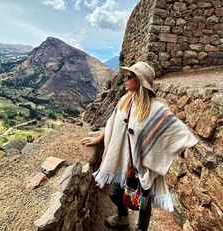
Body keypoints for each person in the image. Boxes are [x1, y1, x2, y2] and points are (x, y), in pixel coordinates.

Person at [81, 61, 198, 231]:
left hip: (142, 165)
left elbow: (178, 132)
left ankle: (141, 229)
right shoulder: (124, 101)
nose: (125, 80)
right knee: (115, 194)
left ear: (140, 81)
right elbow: (112, 123)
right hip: (122, 162)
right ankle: (122, 218)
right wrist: (98, 139)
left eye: (129, 77)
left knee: (143, 200)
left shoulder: (156, 109)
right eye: (125, 76)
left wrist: (164, 150)